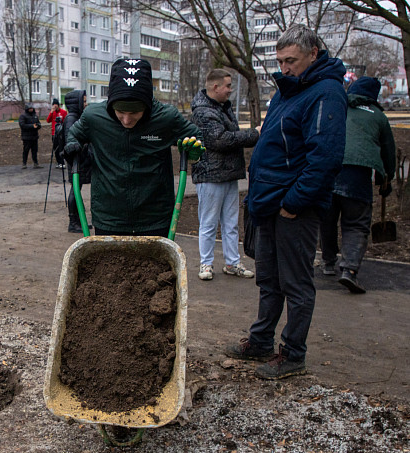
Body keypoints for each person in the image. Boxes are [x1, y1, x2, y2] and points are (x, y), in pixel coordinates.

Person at [225, 24, 347, 379]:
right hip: (269, 205)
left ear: (313, 54)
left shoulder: (326, 93)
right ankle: (261, 340)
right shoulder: (287, 92)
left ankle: (293, 354)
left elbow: (324, 158)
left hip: (293, 209)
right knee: (269, 279)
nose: (284, 68)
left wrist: (293, 203)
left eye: (291, 60)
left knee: (295, 283)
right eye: (280, 61)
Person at [63, 58, 203, 237]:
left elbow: (196, 137)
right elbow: (73, 134)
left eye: (135, 112)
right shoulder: (94, 117)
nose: (127, 120)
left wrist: (195, 152)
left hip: (154, 217)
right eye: (120, 112)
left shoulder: (166, 118)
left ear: (148, 105)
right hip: (109, 217)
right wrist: (72, 146)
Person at [320, 76, 396, 294]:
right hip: (358, 175)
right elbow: (388, 152)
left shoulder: (338, 107)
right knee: (356, 223)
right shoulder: (379, 116)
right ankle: (349, 270)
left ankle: (327, 262)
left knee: (327, 219)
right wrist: (386, 180)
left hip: (330, 170)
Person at [190, 69, 259, 280]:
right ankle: (206, 264)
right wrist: (255, 134)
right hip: (210, 175)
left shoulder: (222, 108)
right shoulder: (203, 111)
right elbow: (219, 140)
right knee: (209, 222)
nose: (231, 90)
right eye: (228, 86)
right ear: (215, 87)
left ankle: (232, 262)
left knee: (231, 223)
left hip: (227, 174)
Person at [62, 89, 93, 233]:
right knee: (75, 190)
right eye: (84, 101)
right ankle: (73, 222)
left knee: (77, 189)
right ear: (77, 102)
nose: (86, 104)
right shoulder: (71, 118)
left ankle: (80, 220)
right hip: (76, 160)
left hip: (80, 159)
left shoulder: (77, 117)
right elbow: (70, 141)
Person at [19, 103, 42, 169]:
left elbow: (38, 123)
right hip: (26, 137)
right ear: (27, 109)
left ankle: (36, 163)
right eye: (30, 108)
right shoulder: (23, 116)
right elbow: (22, 125)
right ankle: (24, 163)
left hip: (34, 136)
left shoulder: (35, 115)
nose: (31, 109)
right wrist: (32, 126)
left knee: (35, 151)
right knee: (26, 150)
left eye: (32, 108)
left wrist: (38, 126)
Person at [47, 98, 68, 168]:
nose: (55, 106)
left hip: (61, 133)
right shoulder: (53, 113)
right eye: (54, 105)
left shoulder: (63, 112)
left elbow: (66, 121)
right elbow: (48, 120)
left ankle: (63, 162)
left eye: (56, 105)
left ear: (58, 105)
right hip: (54, 133)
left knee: (61, 148)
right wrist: (51, 112)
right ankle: (59, 162)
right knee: (55, 149)